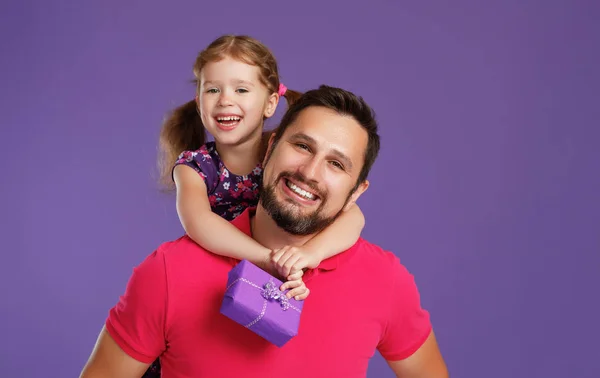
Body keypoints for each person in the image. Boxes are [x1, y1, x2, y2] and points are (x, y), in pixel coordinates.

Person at [80, 85, 449, 377]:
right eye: (302, 146)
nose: (310, 171)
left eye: (336, 164)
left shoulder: (385, 281)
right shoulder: (168, 272)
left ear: (356, 192)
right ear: (271, 147)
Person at [142, 35, 366, 377]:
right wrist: (266, 259)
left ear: (271, 103)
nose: (224, 101)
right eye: (212, 89)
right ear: (199, 100)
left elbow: (354, 216)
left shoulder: (287, 160)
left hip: (276, 286)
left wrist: (310, 256)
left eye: (241, 90)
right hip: (214, 285)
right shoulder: (195, 166)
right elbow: (198, 222)